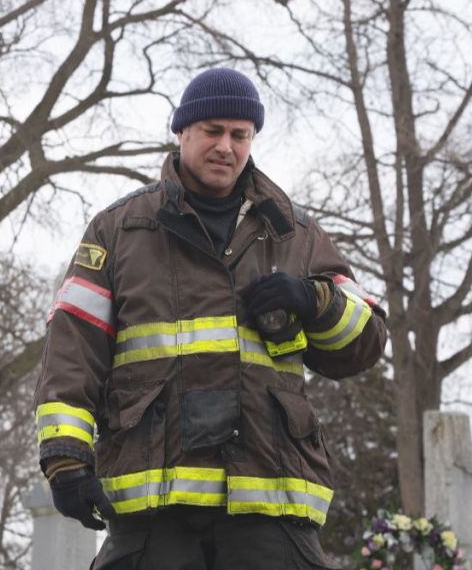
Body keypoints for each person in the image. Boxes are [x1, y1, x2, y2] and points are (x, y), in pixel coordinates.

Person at [34, 68, 388, 569]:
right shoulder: (118, 230)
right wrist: (66, 459)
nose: (226, 146)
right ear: (182, 133)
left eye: (239, 135)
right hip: (154, 505)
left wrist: (316, 302)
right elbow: (73, 347)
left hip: (271, 501)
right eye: (212, 131)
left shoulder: (297, 234)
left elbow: (367, 344)